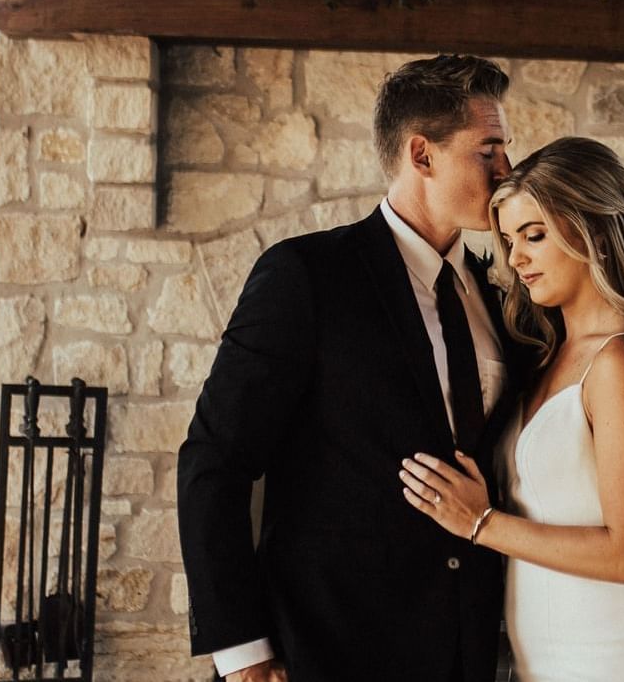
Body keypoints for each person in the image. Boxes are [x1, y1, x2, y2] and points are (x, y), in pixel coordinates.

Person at [177, 55, 532, 682]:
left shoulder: (497, 293)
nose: (507, 171)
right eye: (489, 150)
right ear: (422, 154)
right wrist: (244, 654)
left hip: (469, 651)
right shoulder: (306, 276)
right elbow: (216, 459)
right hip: (325, 650)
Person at [399, 137, 624, 681]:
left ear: (591, 232)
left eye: (534, 236)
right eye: (510, 240)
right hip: (545, 654)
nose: (516, 259)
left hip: (610, 653)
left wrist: (481, 522)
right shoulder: (545, 355)